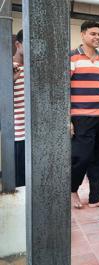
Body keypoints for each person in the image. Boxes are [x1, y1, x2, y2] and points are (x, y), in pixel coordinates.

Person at [70, 21, 99, 209]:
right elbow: (64, 88)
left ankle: (95, 198)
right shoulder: (72, 58)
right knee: (82, 156)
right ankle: (72, 190)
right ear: (83, 35)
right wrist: (68, 119)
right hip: (81, 117)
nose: (97, 37)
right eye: (93, 34)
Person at [12, 29, 25, 187]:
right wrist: (11, 80)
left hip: (35, 136)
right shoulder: (7, 67)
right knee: (19, 184)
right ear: (18, 44)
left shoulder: (34, 69)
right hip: (17, 135)